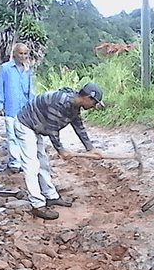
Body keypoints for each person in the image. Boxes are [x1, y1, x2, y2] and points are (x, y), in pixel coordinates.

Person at [14, 82, 105, 220]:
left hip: (36, 127)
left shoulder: (74, 105)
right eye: (94, 103)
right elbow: (52, 129)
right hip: (26, 124)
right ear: (87, 98)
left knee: (43, 163)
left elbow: (78, 125)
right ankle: (37, 205)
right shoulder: (60, 103)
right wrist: (61, 150)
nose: (94, 106)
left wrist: (90, 148)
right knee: (31, 165)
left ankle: (51, 196)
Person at [0, 43, 34, 173]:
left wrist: (33, 105)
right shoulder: (5, 68)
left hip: (25, 110)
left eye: (25, 54)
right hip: (10, 108)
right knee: (12, 136)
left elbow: (30, 90)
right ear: (15, 54)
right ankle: (14, 163)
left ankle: (24, 161)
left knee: (24, 136)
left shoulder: (28, 70)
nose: (22, 56)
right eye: (20, 53)